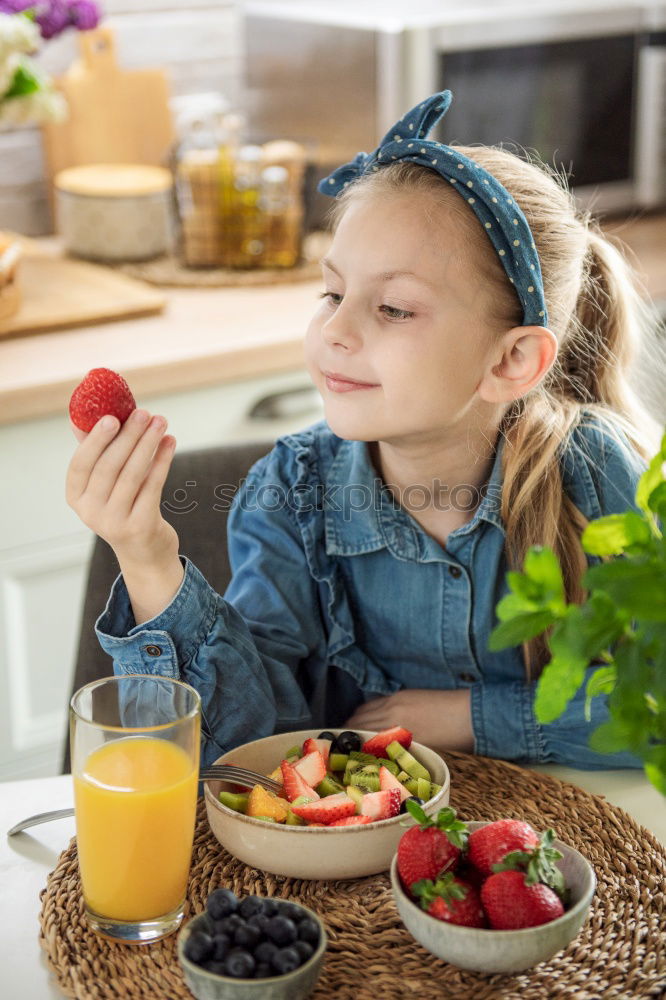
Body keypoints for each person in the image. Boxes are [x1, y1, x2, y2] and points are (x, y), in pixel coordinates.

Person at [66, 91, 660, 769]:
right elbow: (237, 751)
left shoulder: (595, 473)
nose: (336, 331)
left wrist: (469, 717)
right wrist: (146, 553)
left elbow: (654, 701)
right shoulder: (290, 496)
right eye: (331, 293)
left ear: (511, 360)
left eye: (393, 308)